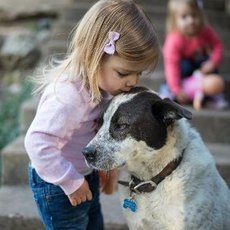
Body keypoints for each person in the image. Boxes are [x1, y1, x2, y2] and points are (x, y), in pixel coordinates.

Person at [24, 0, 160, 229]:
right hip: (58, 184)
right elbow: (37, 143)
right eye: (124, 72)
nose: (134, 81)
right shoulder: (69, 97)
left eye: (139, 73)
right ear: (93, 56)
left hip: (84, 174)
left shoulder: (106, 87)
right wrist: (71, 182)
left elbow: (96, 132)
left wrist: (106, 170)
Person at [161, 0, 227, 110]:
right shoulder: (174, 39)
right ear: (174, 20)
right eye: (184, 17)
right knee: (184, 65)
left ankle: (211, 96)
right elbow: (171, 65)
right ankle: (169, 90)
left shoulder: (204, 30)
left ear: (200, 15)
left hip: (200, 69)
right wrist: (176, 88)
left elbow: (217, 45)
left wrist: (213, 62)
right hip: (183, 73)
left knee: (207, 61)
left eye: (194, 15)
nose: (191, 20)